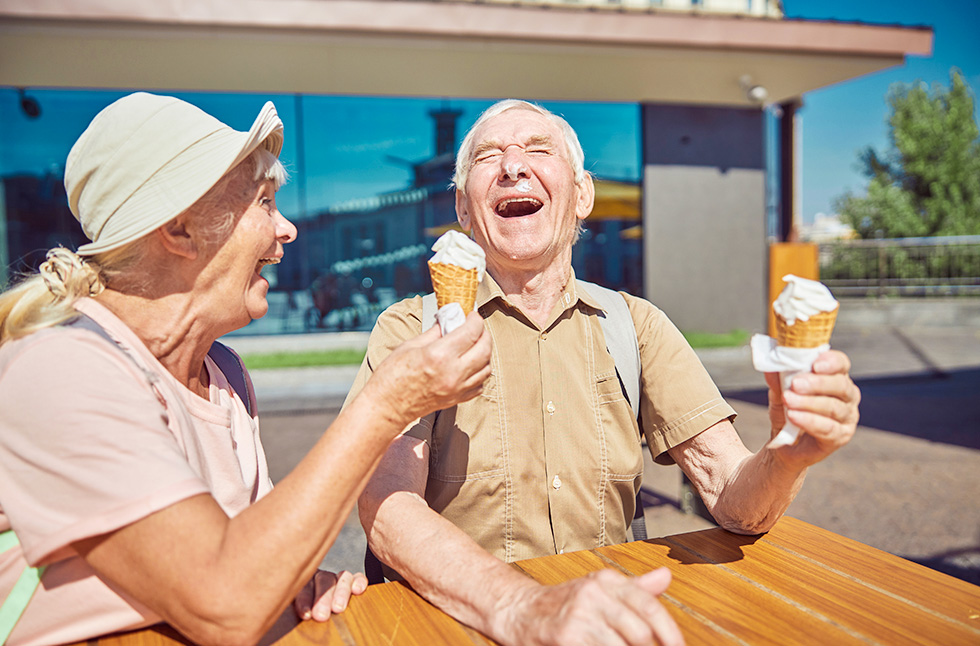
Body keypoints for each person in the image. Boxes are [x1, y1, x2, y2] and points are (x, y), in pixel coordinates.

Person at [348, 99, 861, 646]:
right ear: (464, 207)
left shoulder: (636, 325)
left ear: (582, 195)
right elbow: (385, 507)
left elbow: (736, 500)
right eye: (489, 155)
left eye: (538, 150)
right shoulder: (412, 329)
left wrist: (790, 454)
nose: (513, 166)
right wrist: (522, 605)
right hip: (456, 626)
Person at [0, 92, 491, 646]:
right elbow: (222, 603)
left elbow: (245, 563)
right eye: (263, 203)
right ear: (180, 228)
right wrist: (388, 402)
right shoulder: (60, 370)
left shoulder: (223, 373)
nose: (288, 229)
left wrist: (288, 580)